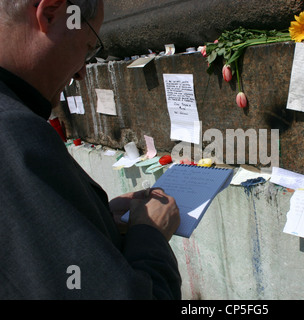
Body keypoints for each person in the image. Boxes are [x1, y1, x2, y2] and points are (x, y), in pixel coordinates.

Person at [0, 0, 182, 299]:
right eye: (87, 47)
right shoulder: (14, 132)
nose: (82, 73)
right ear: (50, 13)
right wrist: (150, 234)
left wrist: (94, 218)